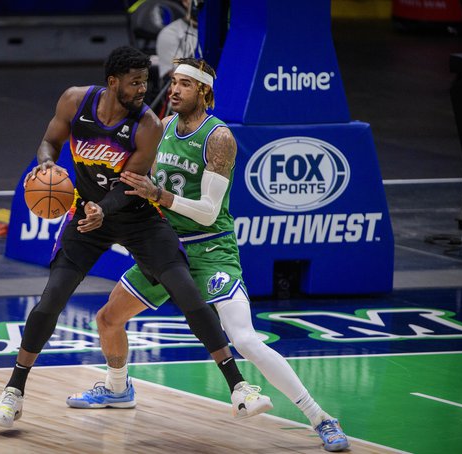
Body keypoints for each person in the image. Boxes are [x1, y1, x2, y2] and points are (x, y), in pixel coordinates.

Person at [66, 57, 350, 453]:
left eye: (184, 84)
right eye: (174, 82)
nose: (175, 89)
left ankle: (322, 418)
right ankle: (118, 389)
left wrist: (158, 195)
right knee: (108, 318)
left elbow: (209, 211)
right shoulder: (161, 128)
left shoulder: (219, 138)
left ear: (203, 91)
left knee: (246, 340)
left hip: (211, 249)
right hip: (164, 246)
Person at [0, 46, 266, 429]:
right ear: (113, 82)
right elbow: (49, 141)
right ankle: (13, 392)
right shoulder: (75, 101)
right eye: (136, 83)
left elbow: (128, 185)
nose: (144, 89)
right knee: (51, 299)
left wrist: (105, 208)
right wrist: (47, 164)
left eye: (146, 82)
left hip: (136, 216)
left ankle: (239, 387)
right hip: (87, 215)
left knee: (185, 289)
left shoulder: (148, 124)